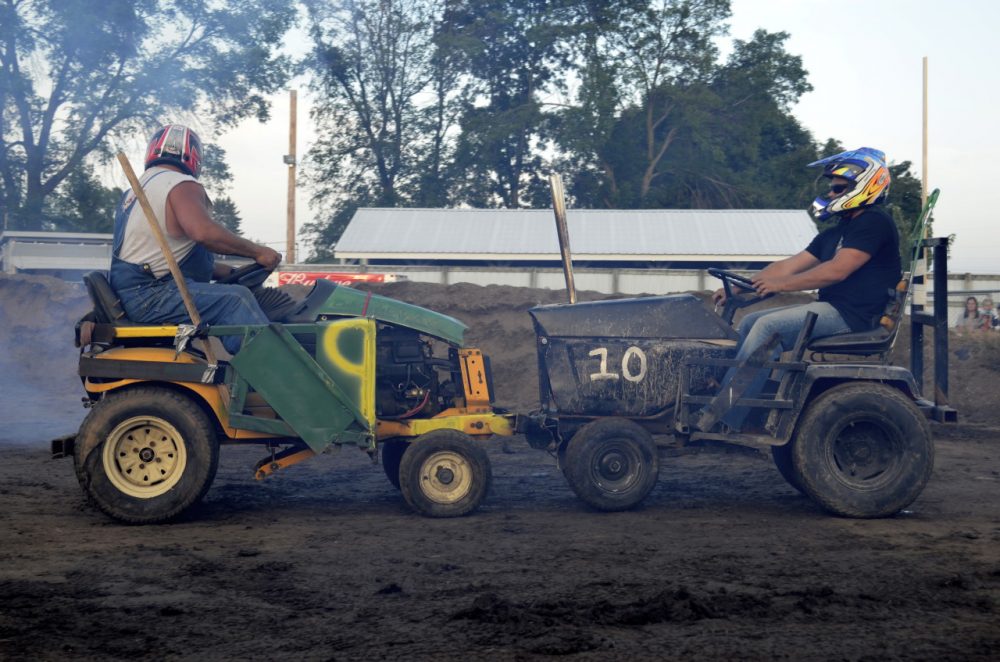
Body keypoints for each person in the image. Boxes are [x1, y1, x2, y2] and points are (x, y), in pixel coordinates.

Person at [697, 147, 901, 433]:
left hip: (854, 315)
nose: (830, 194)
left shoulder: (873, 223)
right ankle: (725, 398)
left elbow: (836, 270)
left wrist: (779, 286)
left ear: (864, 186)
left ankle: (724, 419)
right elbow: (788, 266)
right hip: (835, 310)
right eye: (831, 188)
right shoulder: (835, 233)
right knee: (753, 321)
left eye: (838, 188)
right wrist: (740, 289)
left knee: (768, 327)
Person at [109, 124, 281, 354]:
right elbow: (203, 233)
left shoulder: (138, 191)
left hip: (136, 293)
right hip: (151, 295)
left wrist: (231, 272)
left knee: (233, 291)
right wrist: (259, 252)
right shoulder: (179, 184)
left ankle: (250, 379)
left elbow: (168, 258)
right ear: (194, 158)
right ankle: (280, 381)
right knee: (235, 300)